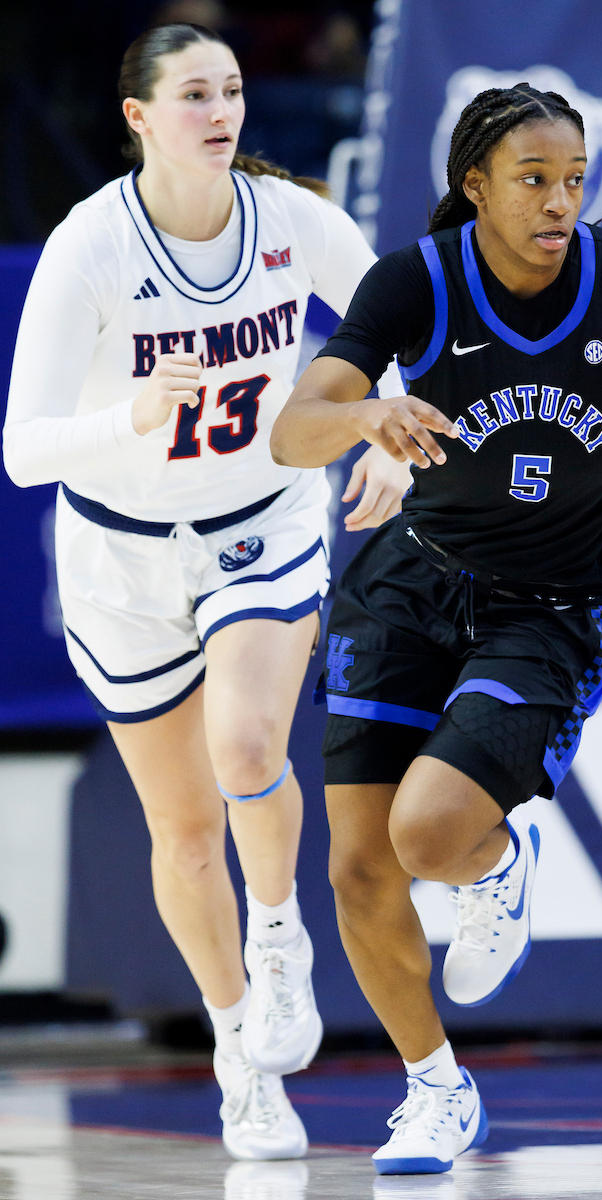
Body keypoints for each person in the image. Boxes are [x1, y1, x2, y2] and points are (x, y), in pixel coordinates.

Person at [2, 22, 408, 1161]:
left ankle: (279, 941)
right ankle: (240, 1054)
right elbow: (24, 450)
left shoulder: (292, 220)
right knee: (183, 835)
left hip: (260, 518)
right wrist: (133, 414)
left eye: (229, 89)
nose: (220, 110)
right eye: (193, 94)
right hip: (120, 556)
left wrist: (388, 431)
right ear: (138, 116)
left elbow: (403, 325)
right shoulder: (90, 247)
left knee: (245, 749)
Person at [270, 84, 602, 1175]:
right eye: (532, 180)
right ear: (475, 185)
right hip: (410, 583)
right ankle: (435, 1092)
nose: (558, 202)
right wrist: (365, 413)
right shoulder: (416, 280)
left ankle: (497, 858)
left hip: (550, 606)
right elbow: (291, 432)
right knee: (358, 869)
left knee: (426, 837)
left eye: (573, 181)